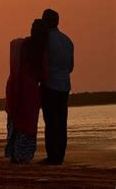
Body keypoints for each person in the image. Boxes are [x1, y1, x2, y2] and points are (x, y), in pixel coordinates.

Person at [5, 19, 48, 163]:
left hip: (16, 87)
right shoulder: (41, 50)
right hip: (30, 91)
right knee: (28, 123)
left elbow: (13, 44)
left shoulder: (21, 45)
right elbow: (44, 74)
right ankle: (23, 154)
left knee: (15, 119)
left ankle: (14, 153)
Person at [41, 9, 74, 165]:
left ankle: (52, 155)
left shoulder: (46, 39)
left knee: (51, 121)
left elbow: (43, 63)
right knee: (61, 121)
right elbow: (70, 66)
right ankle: (59, 154)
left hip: (50, 85)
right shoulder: (67, 40)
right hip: (64, 85)